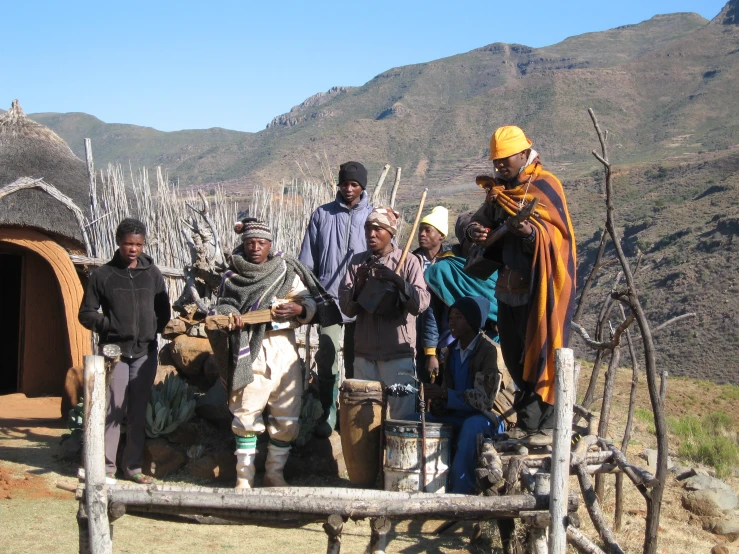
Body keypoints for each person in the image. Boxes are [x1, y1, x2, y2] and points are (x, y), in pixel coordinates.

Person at [208, 218, 341, 489]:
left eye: (261, 243)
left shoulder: (285, 271)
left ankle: (274, 474)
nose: (255, 247)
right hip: (249, 348)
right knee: (246, 411)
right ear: (243, 245)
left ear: (270, 244)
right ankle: (243, 478)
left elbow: (307, 302)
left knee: (287, 413)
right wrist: (229, 316)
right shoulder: (232, 276)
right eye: (250, 243)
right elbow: (221, 307)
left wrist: (298, 310)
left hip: (284, 349)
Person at [465, 125, 576, 439]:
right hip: (507, 292)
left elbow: (560, 237)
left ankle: (547, 428)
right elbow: (477, 221)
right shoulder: (499, 192)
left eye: (505, 159)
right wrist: (474, 230)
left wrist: (531, 234)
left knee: (539, 354)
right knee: (515, 359)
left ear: (525, 154)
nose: (499, 166)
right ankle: (528, 426)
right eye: (496, 161)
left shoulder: (546, 185)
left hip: (538, 291)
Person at [78, 218, 171, 484]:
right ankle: (106, 469)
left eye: (138, 244)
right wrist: (109, 325)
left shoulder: (152, 274)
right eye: (129, 244)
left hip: (145, 351)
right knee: (112, 411)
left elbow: (163, 309)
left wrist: (154, 327)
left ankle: (133, 468)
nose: (133, 249)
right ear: (119, 242)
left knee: (138, 411)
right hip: (114, 352)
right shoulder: (102, 275)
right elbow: (85, 313)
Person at [298, 161, 373, 438]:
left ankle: (351, 414)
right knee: (327, 355)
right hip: (328, 298)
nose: (349, 189)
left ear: (363, 186)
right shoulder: (322, 215)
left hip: (362, 301)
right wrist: (311, 295)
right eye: (344, 184)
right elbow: (308, 259)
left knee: (357, 360)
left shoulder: (373, 215)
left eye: (354, 184)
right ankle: (327, 411)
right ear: (338, 185)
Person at [409, 296, 510, 494]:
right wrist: (435, 400)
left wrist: (446, 394)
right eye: (450, 317)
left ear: (472, 321)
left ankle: (460, 494)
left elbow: (484, 400)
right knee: (412, 422)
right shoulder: (451, 351)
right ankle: (413, 485)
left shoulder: (488, 351)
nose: (451, 322)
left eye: (458, 317)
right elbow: (447, 394)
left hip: (487, 417)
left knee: (470, 428)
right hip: (457, 414)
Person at [339, 207, 430, 418]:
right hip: (364, 356)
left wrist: (398, 281)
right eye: (368, 228)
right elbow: (346, 308)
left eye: (378, 229)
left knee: (403, 416)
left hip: (398, 355)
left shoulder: (408, 261)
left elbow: (421, 303)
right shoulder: (357, 263)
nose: (371, 234)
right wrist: (359, 285)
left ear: (391, 233)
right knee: (364, 420)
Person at [412, 206, 451, 383]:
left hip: (443, 330)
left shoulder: (449, 262)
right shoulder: (411, 260)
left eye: (428, 230)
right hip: (414, 328)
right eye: (420, 230)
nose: (422, 234)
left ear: (441, 236)